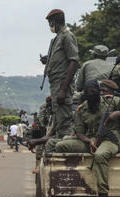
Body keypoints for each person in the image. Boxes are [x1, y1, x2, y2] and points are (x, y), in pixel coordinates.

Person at [40, 9, 79, 139]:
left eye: (50, 22)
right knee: (59, 118)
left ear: (55, 22)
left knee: (64, 121)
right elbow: (61, 58)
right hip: (56, 85)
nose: (50, 26)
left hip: (62, 84)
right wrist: (48, 60)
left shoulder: (67, 36)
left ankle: (66, 148)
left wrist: (63, 89)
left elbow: (74, 61)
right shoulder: (57, 38)